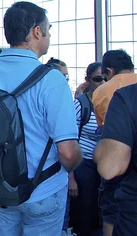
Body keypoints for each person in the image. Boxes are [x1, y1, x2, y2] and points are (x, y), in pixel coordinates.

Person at [0, 2, 82, 235]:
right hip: (43, 189)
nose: (49, 35)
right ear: (37, 31)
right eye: (48, 29)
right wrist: (74, 166)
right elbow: (68, 153)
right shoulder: (51, 80)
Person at [91, 49, 137, 236]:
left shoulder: (108, 92)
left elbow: (109, 165)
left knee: (111, 208)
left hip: (124, 173)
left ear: (109, 71)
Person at [65, 62, 104, 236]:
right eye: (97, 79)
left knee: (100, 210)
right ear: (87, 80)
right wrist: (71, 177)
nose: (102, 83)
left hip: (104, 166)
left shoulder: (112, 102)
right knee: (84, 211)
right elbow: (68, 139)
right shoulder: (81, 105)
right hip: (83, 166)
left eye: (105, 78)